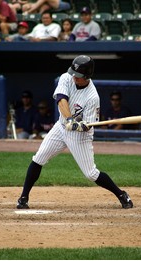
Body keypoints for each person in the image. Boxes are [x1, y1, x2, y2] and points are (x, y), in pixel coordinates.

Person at [16, 55, 133, 210]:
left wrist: (81, 126)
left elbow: (89, 125)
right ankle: (23, 197)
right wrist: (70, 119)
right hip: (61, 126)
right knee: (38, 158)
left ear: (87, 76)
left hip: (80, 136)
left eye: (78, 76)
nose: (74, 77)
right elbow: (61, 98)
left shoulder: (92, 97)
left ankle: (121, 194)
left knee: (90, 174)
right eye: (73, 73)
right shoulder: (66, 77)